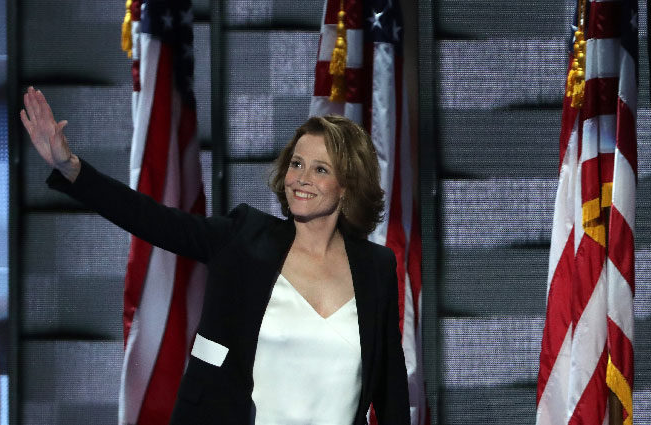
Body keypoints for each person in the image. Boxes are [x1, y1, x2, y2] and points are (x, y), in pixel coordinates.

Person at [20, 86, 411, 424]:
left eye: (320, 169)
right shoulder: (244, 239)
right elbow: (155, 221)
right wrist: (71, 168)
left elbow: (390, 390)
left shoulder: (376, 268)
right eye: (296, 164)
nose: (302, 179)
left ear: (347, 187)